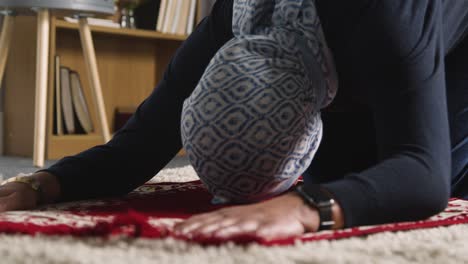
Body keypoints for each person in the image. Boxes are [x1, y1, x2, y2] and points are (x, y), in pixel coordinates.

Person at [1, 0, 467, 241]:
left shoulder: (384, 17)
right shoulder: (235, 18)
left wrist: (306, 207)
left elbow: (423, 174)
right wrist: (44, 183)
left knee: (435, 181)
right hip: (339, 54)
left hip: (451, 56)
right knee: (346, 177)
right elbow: (139, 146)